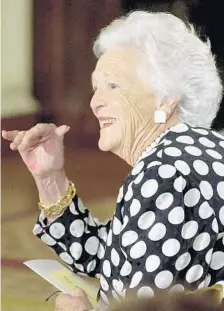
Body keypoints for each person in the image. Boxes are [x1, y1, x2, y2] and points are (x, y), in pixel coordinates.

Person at [2, 10, 224, 311]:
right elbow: (115, 255)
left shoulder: (164, 175)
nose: (95, 102)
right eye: (96, 88)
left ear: (165, 98)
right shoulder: (202, 150)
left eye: (113, 86)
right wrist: (49, 178)